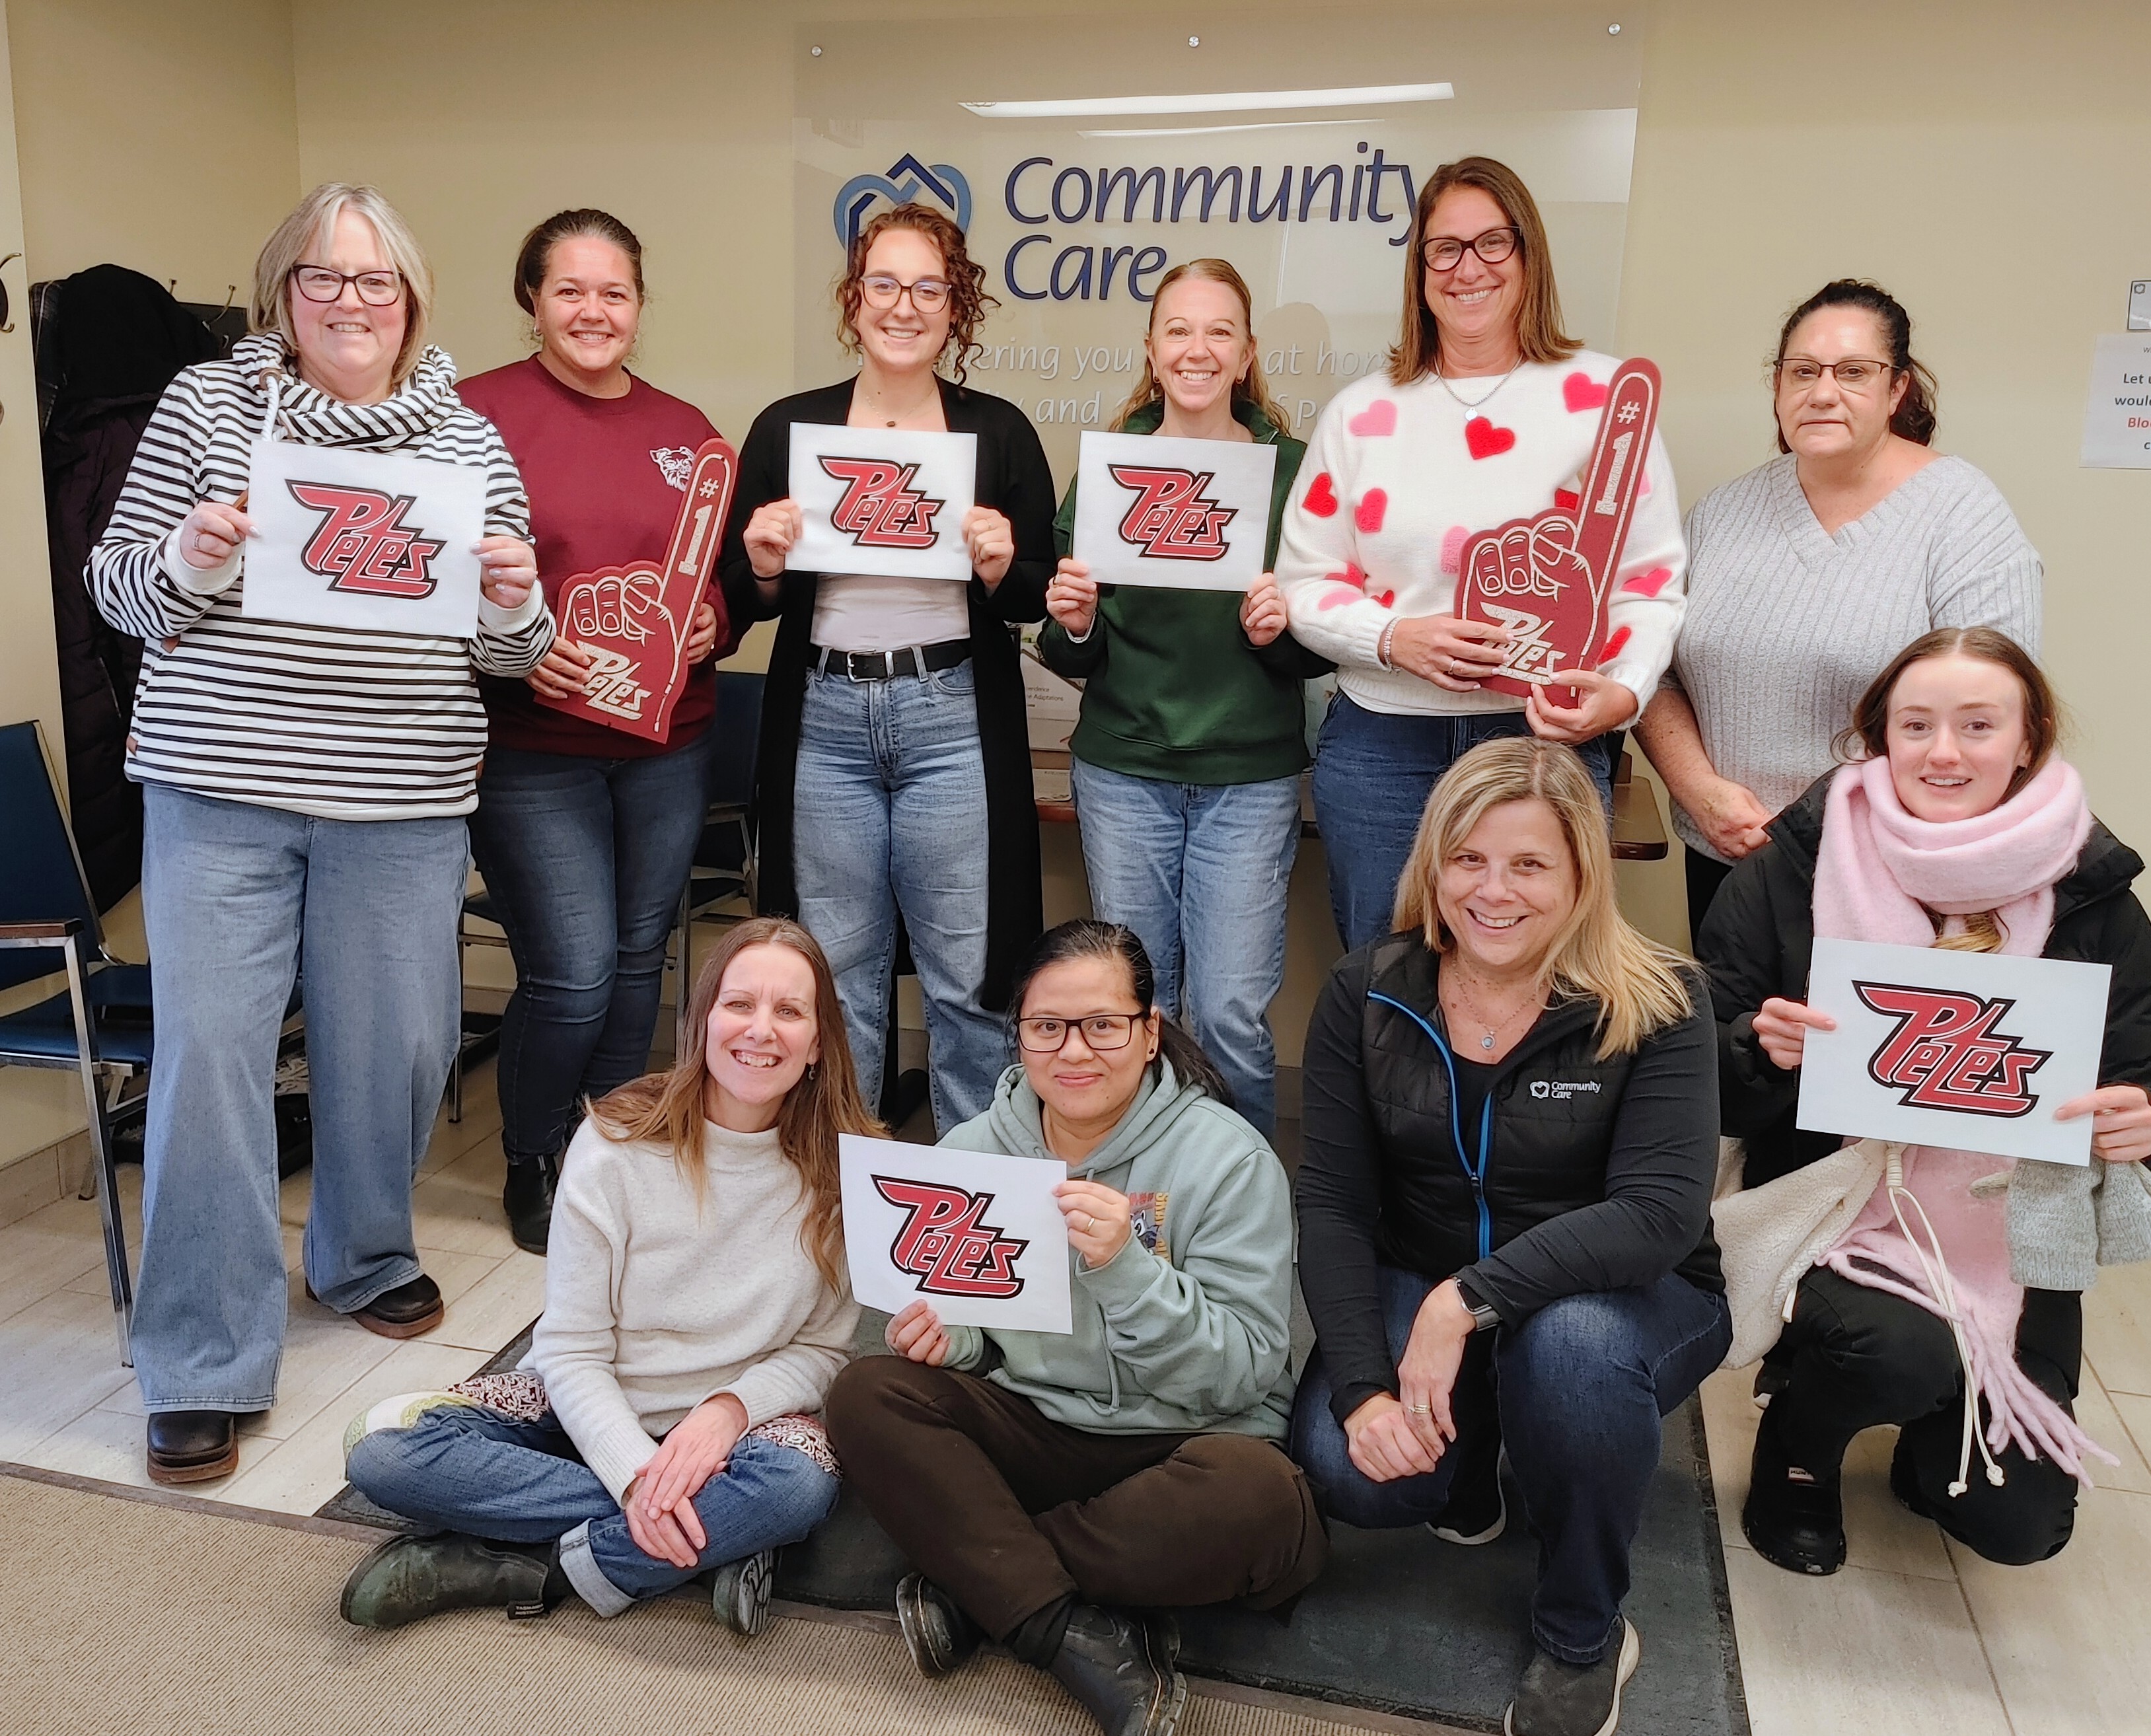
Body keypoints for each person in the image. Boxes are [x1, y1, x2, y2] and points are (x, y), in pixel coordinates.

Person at [86, 184, 552, 1487]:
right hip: (218, 794)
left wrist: (519, 600)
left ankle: (361, 1253)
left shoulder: (469, 443)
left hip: (401, 804)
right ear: (280, 294)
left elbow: (512, 650)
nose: (351, 303)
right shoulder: (205, 408)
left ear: (413, 299)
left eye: (376, 281)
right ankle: (200, 1359)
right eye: (323, 279)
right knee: (212, 1068)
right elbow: (118, 590)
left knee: (395, 1055)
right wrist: (187, 553)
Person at [1292, 737, 1728, 1736]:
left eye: (1530, 864)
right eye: (1470, 859)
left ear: (1582, 873)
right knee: (1345, 1465)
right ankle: (1475, 1438)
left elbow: (1658, 1217)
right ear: (1434, 866)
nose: (1495, 891)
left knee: (1569, 1356)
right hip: (1426, 1263)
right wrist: (1362, 1387)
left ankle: (1583, 1633)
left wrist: (1462, 1303)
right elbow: (1334, 1202)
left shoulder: (1661, 1000)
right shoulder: (1369, 993)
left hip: (1626, 1297)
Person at [1698, 629, 2151, 1575]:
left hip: (2008, 1228)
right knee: (1894, 1353)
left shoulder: (2095, 892)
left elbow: (2142, 1062)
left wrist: (2137, 1113)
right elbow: (1685, 1068)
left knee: (2023, 1529)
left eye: (1978, 726)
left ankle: (1932, 1435)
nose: (1945, 752)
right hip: (1828, 1200)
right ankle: (1799, 1456)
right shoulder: (1791, 866)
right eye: (1917, 726)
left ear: (2028, 740)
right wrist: (1755, 1048)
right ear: (1881, 739)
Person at [828, 920, 1327, 1736]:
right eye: (1047, 1027)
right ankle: (1069, 1628)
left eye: (1103, 1025)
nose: (1074, 1051)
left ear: (1148, 1030)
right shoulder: (975, 1150)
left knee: (1267, 1505)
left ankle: (983, 1580)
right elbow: (986, 1334)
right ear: (1018, 1035)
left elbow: (1243, 1372)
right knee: (866, 1392)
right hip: (1039, 1429)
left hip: (1186, 1441)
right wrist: (955, 1342)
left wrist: (1127, 1273)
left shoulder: (1229, 1160)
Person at [339, 918, 870, 1633]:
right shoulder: (619, 1139)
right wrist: (635, 1477)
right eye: (739, 1004)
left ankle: (521, 1567)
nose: (761, 1030)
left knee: (795, 1489)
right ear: (702, 1022)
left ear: (818, 1043)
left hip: (739, 1435)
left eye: (789, 1011)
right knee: (382, 1451)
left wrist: (726, 1411)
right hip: (584, 1412)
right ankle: (711, 1543)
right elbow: (571, 1350)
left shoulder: (850, 1170)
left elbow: (822, 1352)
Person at [1275, 155, 1686, 950]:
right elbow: (1304, 581)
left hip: (1544, 744)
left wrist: (1625, 693)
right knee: (1385, 975)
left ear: (1528, 256)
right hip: (1382, 745)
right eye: (1445, 249)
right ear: (1419, 270)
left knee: (1542, 976)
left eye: (1493, 244)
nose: (1469, 268)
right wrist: (1394, 638)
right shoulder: (1362, 413)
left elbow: (1648, 584)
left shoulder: (1603, 402)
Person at [719, 202, 1055, 1134]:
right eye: (884, 284)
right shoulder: (791, 429)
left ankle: (972, 1216)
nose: (904, 306)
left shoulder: (998, 432)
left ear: (958, 309)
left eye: (928, 288)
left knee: (969, 985)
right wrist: (765, 560)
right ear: (853, 298)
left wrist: (999, 567)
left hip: (952, 718)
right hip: (823, 722)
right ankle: (850, 1209)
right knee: (837, 983)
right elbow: (743, 597)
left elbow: (1040, 594)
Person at [457, 209, 729, 1254]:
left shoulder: (686, 430)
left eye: (614, 292)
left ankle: (612, 1153)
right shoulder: (474, 415)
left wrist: (712, 619)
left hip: (670, 739)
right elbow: (435, 578)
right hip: (533, 745)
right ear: (532, 297)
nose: (593, 311)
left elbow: (707, 585)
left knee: (634, 958)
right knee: (570, 968)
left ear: (641, 305)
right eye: (570, 290)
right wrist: (517, 648)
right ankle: (534, 1152)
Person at [1635, 279, 2041, 944]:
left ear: (1897, 389)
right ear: (1776, 386)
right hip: (1725, 864)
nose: (1822, 392)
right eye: (1801, 371)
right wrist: (1700, 793)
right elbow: (1653, 673)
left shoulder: (1962, 517)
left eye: (1853, 372)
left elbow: (1989, 721)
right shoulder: (1719, 515)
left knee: (1843, 1047)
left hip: (1888, 878)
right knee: (1733, 1044)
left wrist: (1821, 827)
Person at [1040, 259, 1327, 1138]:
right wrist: (1075, 620)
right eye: (1178, 330)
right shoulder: (1112, 472)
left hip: (1249, 779)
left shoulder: (1291, 475)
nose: (1197, 349)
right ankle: (1140, 1206)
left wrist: (1286, 627)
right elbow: (1064, 648)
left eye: (1217, 332)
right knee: (1134, 1006)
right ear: (1152, 350)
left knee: (1232, 1013)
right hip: (1126, 773)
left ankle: (1235, 1213)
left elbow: (1324, 647)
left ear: (1245, 354)